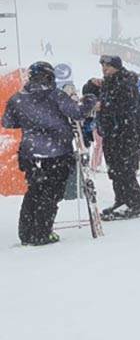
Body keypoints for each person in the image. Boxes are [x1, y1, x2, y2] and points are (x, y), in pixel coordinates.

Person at [2, 61, 97, 245]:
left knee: (34, 192)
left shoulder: (18, 98)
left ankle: (26, 233)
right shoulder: (56, 96)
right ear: (49, 76)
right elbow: (77, 113)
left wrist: (30, 122)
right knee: (51, 193)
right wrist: (89, 100)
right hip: (57, 152)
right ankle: (41, 233)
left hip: (30, 154)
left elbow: (8, 122)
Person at [94, 55, 140, 218]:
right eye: (103, 66)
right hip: (112, 132)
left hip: (124, 133)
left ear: (116, 67)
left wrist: (103, 107)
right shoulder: (109, 83)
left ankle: (135, 202)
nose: (104, 69)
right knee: (115, 170)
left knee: (125, 170)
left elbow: (126, 107)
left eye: (108, 66)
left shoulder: (125, 83)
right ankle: (121, 200)